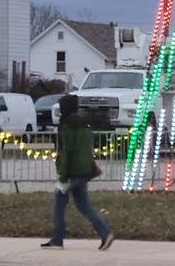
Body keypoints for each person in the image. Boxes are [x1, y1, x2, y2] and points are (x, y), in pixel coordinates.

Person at [41, 94, 114, 251]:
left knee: (59, 204)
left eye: (61, 107)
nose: (60, 110)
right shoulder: (84, 124)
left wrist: (63, 175)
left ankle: (57, 240)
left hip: (71, 172)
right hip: (84, 171)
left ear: (65, 108)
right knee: (84, 206)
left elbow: (67, 151)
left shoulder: (66, 125)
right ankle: (105, 232)